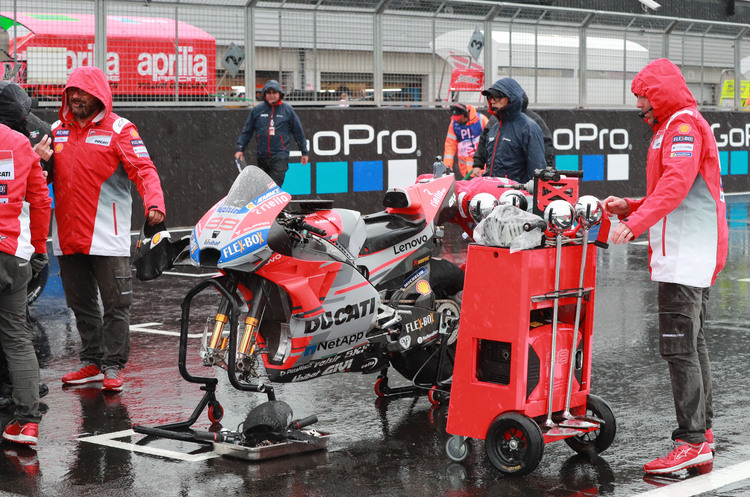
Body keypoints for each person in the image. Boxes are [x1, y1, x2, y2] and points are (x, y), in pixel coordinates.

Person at [602, 58, 727, 475]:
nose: (640, 108)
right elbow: (672, 190)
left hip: (685, 257)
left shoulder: (683, 127)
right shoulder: (674, 126)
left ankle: (691, 442)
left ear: (659, 95)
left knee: (679, 348)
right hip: (688, 255)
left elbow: (675, 187)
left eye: (644, 99)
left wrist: (633, 224)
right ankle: (702, 434)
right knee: (693, 344)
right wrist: (631, 205)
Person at [53, 66, 166, 393]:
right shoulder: (55, 130)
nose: (75, 97)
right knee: (80, 303)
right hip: (66, 236)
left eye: (82, 92)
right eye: (71, 91)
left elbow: (144, 170)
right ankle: (91, 361)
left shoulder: (120, 128)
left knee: (116, 305)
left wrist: (154, 203)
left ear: (99, 95)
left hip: (108, 237)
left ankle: (113, 365)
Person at [0, 85, 52, 445]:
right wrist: (38, 252)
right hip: (13, 256)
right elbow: (41, 202)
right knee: (18, 338)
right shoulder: (20, 145)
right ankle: (28, 421)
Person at [470, 78, 546, 183]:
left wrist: (528, 194)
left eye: (497, 97)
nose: (492, 101)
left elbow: (537, 170)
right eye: (491, 97)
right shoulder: (494, 128)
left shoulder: (529, 128)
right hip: (494, 193)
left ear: (511, 98)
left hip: (517, 195)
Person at [234, 80, 309, 186]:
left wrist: (304, 152)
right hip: (262, 156)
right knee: (264, 187)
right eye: (269, 93)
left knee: (274, 186)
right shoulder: (257, 110)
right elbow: (247, 131)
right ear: (264, 94)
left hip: (280, 155)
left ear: (280, 94)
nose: (271, 95)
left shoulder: (287, 110)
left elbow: (298, 132)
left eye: (274, 93)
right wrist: (240, 148)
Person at [443, 103, 489, 180]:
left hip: (483, 169)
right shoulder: (454, 124)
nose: (457, 120)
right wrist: (447, 163)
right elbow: (450, 145)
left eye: (459, 118)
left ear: (466, 115)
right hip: (466, 170)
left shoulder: (481, 120)